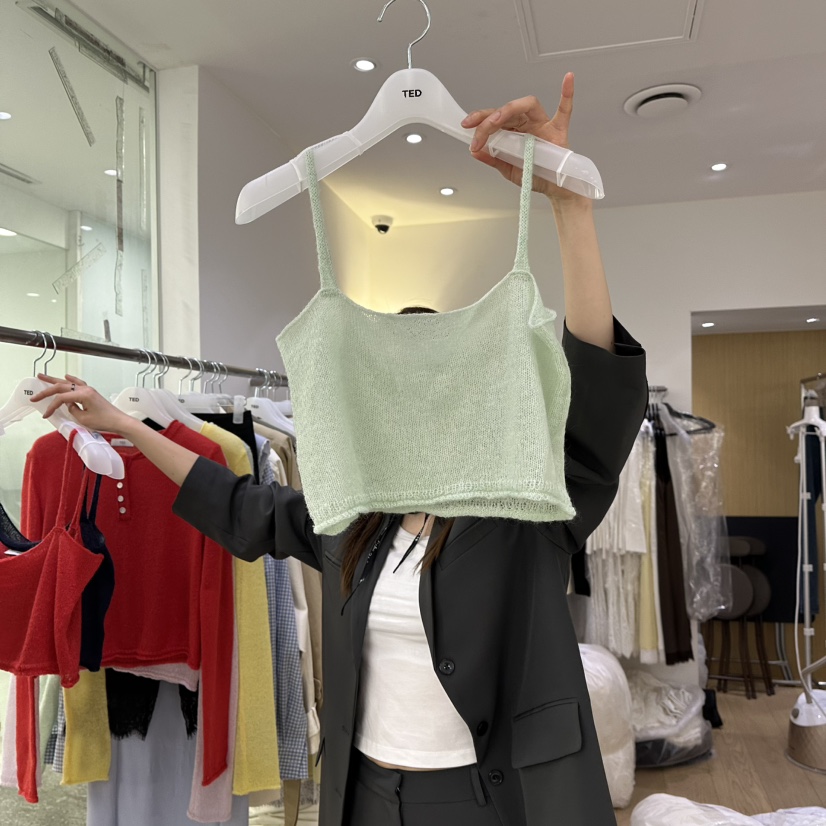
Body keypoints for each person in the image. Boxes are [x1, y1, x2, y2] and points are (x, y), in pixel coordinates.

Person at [32, 74, 647, 826]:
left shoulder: (522, 509)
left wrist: (570, 208)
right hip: (368, 798)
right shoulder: (353, 516)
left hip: (494, 801)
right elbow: (243, 505)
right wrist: (126, 425)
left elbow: (598, 410)